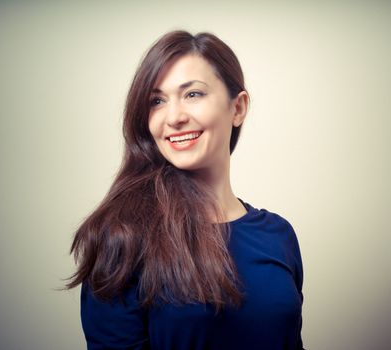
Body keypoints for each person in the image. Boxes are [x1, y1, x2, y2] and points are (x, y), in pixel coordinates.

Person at [66, 30, 304, 350]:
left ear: (238, 108)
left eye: (193, 94)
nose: (174, 117)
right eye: (157, 101)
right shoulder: (122, 237)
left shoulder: (279, 234)